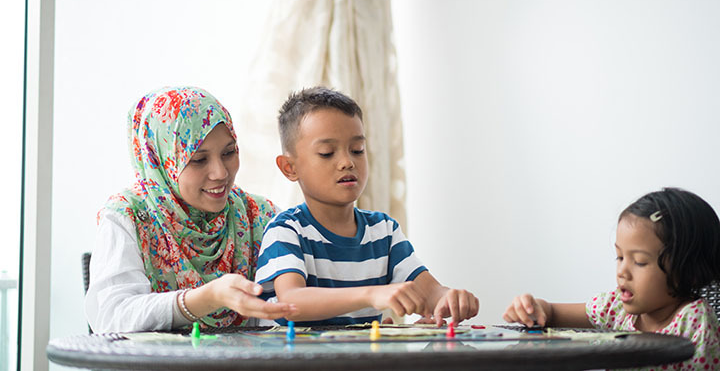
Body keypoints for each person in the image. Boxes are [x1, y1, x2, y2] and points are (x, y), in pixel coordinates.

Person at [254, 86, 479, 326]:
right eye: (327, 153)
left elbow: (429, 292)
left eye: (357, 150)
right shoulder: (286, 231)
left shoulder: (384, 231)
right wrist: (371, 293)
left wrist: (449, 298)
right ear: (290, 168)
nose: (347, 162)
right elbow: (292, 304)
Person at [85, 86, 297, 333]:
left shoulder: (259, 216)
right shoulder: (129, 216)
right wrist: (205, 299)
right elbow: (110, 316)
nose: (221, 173)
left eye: (229, 153)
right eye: (198, 159)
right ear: (161, 160)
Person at [503, 187, 720, 369]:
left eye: (640, 262)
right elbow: (552, 313)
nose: (621, 272)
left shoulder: (694, 321)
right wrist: (534, 309)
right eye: (620, 257)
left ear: (690, 273)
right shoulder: (615, 308)